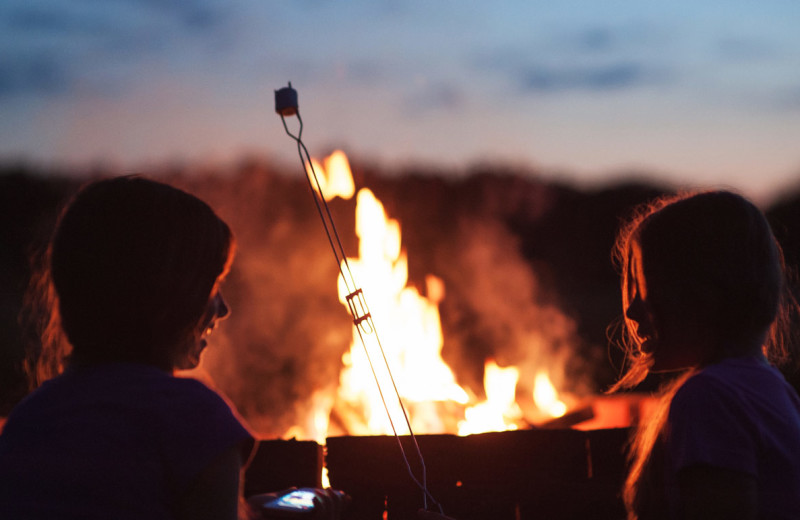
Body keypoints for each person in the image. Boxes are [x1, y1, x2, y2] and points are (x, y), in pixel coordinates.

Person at [0, 176, 255, 519]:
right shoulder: (196, 421)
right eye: (212, 285)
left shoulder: (27, 422)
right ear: (169, 294)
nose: (222, 309)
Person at [611, 190, 800, 519]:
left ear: (701, 293)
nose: (631, 310)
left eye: (643, 286)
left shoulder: (708, 398)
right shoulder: (775, 388)